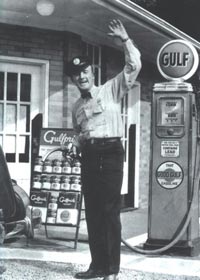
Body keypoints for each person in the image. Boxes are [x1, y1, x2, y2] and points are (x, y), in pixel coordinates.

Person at [66, 19, 141, 280]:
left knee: (109, 211)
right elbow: (79, 134)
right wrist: (75, 145)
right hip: (89, 156)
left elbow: (134, 66)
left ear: (91, 73)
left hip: (110, 153)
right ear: (74, 79)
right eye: (77, 74)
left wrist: (125, 40)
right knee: (93, 212)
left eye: (85, 71)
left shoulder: (110, 89)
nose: (82, 76)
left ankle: (111, 270)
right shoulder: (76, 107)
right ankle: (96, 266)